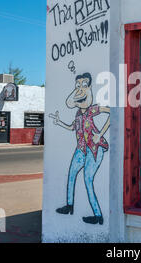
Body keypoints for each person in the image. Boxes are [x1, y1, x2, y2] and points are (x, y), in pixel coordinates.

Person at [48, 72, 110, 225]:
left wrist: (100, 134)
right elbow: (71, 128)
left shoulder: (93, 109)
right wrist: (59, 122)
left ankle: (98, 215)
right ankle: (69, 206)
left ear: (89, 87)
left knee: (87, 180)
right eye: (77, 86)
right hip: (81, 148)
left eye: (84, 85)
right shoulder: (77, 114)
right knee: (71, 174)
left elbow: (113, 113)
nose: (80, 89)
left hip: (95, 148)